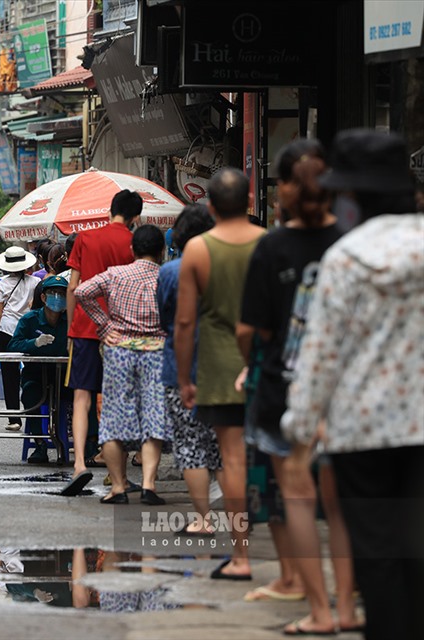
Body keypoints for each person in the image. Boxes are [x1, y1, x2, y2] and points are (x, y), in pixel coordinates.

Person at [283, 129, 423, 640]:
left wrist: (300, 429)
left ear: (354, 197)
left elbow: (321, 354)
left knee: (378, 556)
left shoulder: (347, 258)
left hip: (363, 434)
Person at [237, 141, 353, 625]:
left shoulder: (273, 246)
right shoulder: (351, 240)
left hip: (285, 385)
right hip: (347, 388)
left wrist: (254, 362)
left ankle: (319, 611)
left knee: (297, 497)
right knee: (341, 503)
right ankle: (347, 609)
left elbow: (251, 331)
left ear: (282, 186)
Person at [175, 167, 265, 581]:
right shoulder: (268, 243)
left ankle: (242, 556)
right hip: (265, 365)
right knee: (278, 460)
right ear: (250, 202)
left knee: (231, 461)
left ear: (210, 206)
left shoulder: (197, 250)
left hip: (217, 367)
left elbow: (186, 323)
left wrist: (184, 378)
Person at [75, 225, 168, 505]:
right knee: (153, 417)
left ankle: (117, 487)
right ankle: (149, 484)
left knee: (114, 419)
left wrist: (104, 326)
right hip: (157, 352)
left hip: (119, 353)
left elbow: (81, 292)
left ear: (132, 250)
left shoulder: (115, 274)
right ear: (161, 250)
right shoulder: (167, 276)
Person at [66, 191, 141, 482]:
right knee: (116, 399)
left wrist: (72, 327)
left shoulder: (85, 238)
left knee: (82, 398)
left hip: (85, 327)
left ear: (110, 210)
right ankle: (115, 473)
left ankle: (80, 465)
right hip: (121, 329)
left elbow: (74, 287)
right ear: (136, 218)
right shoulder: (135, 242)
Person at [156, 205, 222, 533]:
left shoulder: (170, 272)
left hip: (181, 365)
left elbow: (168, 318)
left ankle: (204, 519)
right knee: (226, 446)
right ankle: (239, 520)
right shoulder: (226, 266)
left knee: (191, 443)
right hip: (224, 365)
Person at [7, 276, 70, 466]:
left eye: (62, 294)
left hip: (64, 378)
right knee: (31, 395)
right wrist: (33, 343)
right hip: (35, 376)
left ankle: (87, 447)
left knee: (85, 396)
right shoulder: (30, 320)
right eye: (53, 293)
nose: (58, 297)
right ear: (43, 297)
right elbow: (12, 345)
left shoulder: (71, 320)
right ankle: (40, 444)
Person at [0, 247, 40, 431]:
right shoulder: (36, 282)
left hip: (7, 332)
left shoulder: (2, 284)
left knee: (9, 377)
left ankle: (14, 419)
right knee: (32, 374)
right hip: (28, 332)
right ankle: (34, 415)